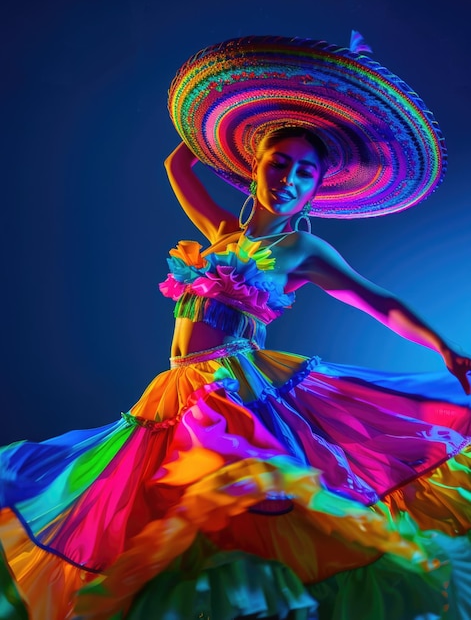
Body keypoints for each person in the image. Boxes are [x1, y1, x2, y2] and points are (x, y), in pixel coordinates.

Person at [1, 33, 471, 620]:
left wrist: (447, 350)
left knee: (235, 513)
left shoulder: (300, 247)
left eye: (305, 171)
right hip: (174, 390)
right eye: (279, 161)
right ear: (256, 167)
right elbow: (178, 163)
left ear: (316, 187)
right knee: (163, 521)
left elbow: (379, 302)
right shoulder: (225, 234)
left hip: (234, 390)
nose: (290, 178)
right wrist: (223, 105)